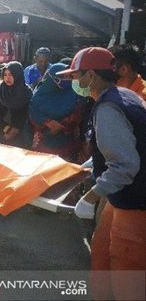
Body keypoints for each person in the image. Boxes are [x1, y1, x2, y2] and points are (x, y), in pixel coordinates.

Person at [57, 47, 146, 300]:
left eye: (77, 76)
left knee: (126, 265)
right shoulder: (124, 95)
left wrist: (90, 198)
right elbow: (114, 148)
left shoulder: (108, 108)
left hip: (136, 201)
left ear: (92, 76)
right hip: (122, 196)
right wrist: (82, 168)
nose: (75, 82)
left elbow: (124, 165)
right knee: (102, 248)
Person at [29, 63, 84, 163]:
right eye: (63, 77)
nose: (67, 79)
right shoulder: (38, 96)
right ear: (52, 77)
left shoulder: (74, 93)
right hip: (44, 145)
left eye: (69, 76)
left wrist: (63, 125)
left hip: (68, 145)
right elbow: (33, 113)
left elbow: (78, 113)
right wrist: (47, 123)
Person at [0, 61, 32, 148]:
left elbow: (26, 112)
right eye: (5, 75)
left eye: (11, 74)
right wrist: (6, 129)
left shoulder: (26, 91)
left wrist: (15, 129)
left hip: (19, 135)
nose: (7, 78)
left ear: (18, 75)